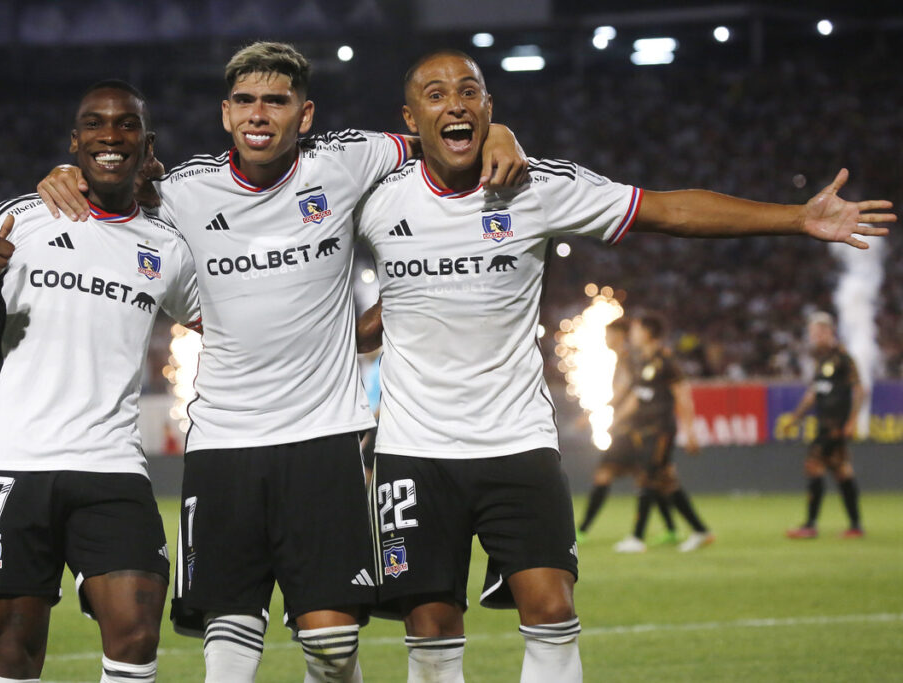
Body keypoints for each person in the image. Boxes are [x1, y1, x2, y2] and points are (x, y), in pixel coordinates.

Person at [354, 49, 893, 682]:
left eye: (469, 92)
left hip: (516, 442)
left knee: (552, 611)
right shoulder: (376, 200)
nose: (456, 104)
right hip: (413, 448)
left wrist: (795, 217)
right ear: (410, 118)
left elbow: (670, 211)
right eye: (436, 94)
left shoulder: (538, 186)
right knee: (432, 627)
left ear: (489, 107)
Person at [35, 42, 527, 683]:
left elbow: (445, 136)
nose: (258, 114)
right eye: (245, 101)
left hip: (325, 440)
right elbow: (106, 180)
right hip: (223, 446)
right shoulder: (183, 191)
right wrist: (59, 174)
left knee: (333, 646)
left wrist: (503, 132)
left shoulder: (349, 160)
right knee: (229, 642)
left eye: (276, 100)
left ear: (305, 113)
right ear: (225, 114)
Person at [0, 81, 201, 683]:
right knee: (14, 646)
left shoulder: (168, 246)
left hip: (113, 464)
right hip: (17, 462)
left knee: (139, 631)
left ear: (147, 144)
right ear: (74, 140)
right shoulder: (20, 219)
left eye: (125, 125)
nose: (109, 136)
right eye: (95, 124)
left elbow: (225, 327)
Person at [612, 315, 712, 554]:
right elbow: (637, 397)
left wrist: (690, 432)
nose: (632, 334)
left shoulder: (666, 361)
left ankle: (637, 537)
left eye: (635, 330)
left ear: (647, 332)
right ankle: (701, 531)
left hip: (660, 430)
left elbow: (683, 396)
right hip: (642, 429)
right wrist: (616, 420)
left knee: (647, 477)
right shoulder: (639, 361)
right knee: (665, 481)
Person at [576, 319, 678, 545]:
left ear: (620, 335)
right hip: (635, 428)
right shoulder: (629, 359)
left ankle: (583, 530)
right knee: (654, 478)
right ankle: (673, 529)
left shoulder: (630, 360)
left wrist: (599, 414)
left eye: (608, 335)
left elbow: (627, 393)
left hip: (632, 429)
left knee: (610, 475)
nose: (605, 340)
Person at [785, 312, 865, 538]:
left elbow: (859, 390)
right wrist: (796, 417)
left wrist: (852, 420)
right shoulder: (822, 361)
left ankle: (810, 525)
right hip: (824, 423)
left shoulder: (843, 358)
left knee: (813, 465)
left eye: (819, 332)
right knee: (842, 472)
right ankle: (856, 526)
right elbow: (814, 393)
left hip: (835, 425)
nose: (815, 337)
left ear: (830, 332)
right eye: (813, 333)